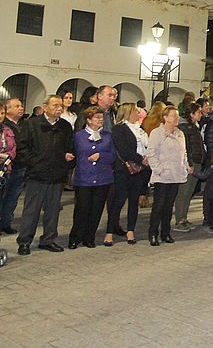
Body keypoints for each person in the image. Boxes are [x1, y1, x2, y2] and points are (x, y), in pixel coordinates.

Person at [15, 95, 75, 255]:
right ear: (45, 106)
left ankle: (48, 239)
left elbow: (71, 146)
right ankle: (24, 241)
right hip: (37, 175)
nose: (59, 108)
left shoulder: (65, 126)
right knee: (31, 211)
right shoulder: (32, 124)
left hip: (57, 175)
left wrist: (68, 157)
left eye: (61, 106)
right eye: (55, 105)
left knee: (53, 210)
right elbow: (22, 148)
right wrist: (35, 162)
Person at [69, 106, 115, 248]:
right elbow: (74, 153)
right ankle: (75, 237)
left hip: (103, 178)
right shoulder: (79, 136)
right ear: (88, 120)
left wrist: (101, 155)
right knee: (82, 209)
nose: (100, 120)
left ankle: (89, 237)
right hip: (84, 178)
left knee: (96, 209)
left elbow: (113, 155)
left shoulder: (107, 136)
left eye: (101, 118)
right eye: (96, 118)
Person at [146, 106, 189, 246]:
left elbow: (184, 153)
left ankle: (166, 232)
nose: (176, 119)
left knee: (169, 206)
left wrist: (184, 167)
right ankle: (153, 233)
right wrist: (159, 169)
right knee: (158, 205)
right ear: (165, 117)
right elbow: (151, 154)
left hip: (176, 174)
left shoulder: (180, 134)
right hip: (163, 175)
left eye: (177, 116)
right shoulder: (157, 133)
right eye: (173, 116)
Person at [107, 103, 149, 245]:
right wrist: (140, 159)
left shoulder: (140, 129)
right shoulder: (119, 129)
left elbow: (145, 146)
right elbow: (123, 150)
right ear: (128, 113)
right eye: (135, 111)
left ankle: (131, 230)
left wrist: (146, 159)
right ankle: (109, 231)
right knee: (118, 201)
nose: (138, 114)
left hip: (139, 170)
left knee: (133, 201)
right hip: (124, 169)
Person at [174, 103, 206, 232]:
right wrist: (190, 164)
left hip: (196, 162)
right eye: (198, 112)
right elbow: (186, 148)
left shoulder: (194, 127)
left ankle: (184, 217)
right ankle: (179, 219)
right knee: (184, 192)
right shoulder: (185, 128)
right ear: (192, 114)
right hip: (190, 164)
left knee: (189, 192)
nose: (201, 114)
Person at [0, 98, 25, 235]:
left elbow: (13, 147)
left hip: (16, 166)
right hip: (2, 168)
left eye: (21, 106)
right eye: (17, 106)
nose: (21, 108)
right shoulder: (6, 127)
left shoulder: (20, 126)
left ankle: (6, 222)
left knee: (12, 197)